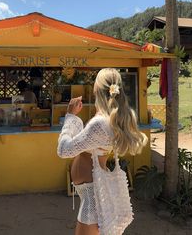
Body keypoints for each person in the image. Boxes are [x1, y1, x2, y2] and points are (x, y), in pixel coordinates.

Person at [57, 68, 148, 235]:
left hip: (93, 196)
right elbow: (83, 143)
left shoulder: (99, 123)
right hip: (93, 191)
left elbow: (64, 150)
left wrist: (70, 116)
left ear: (96, 89)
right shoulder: (108, 119)